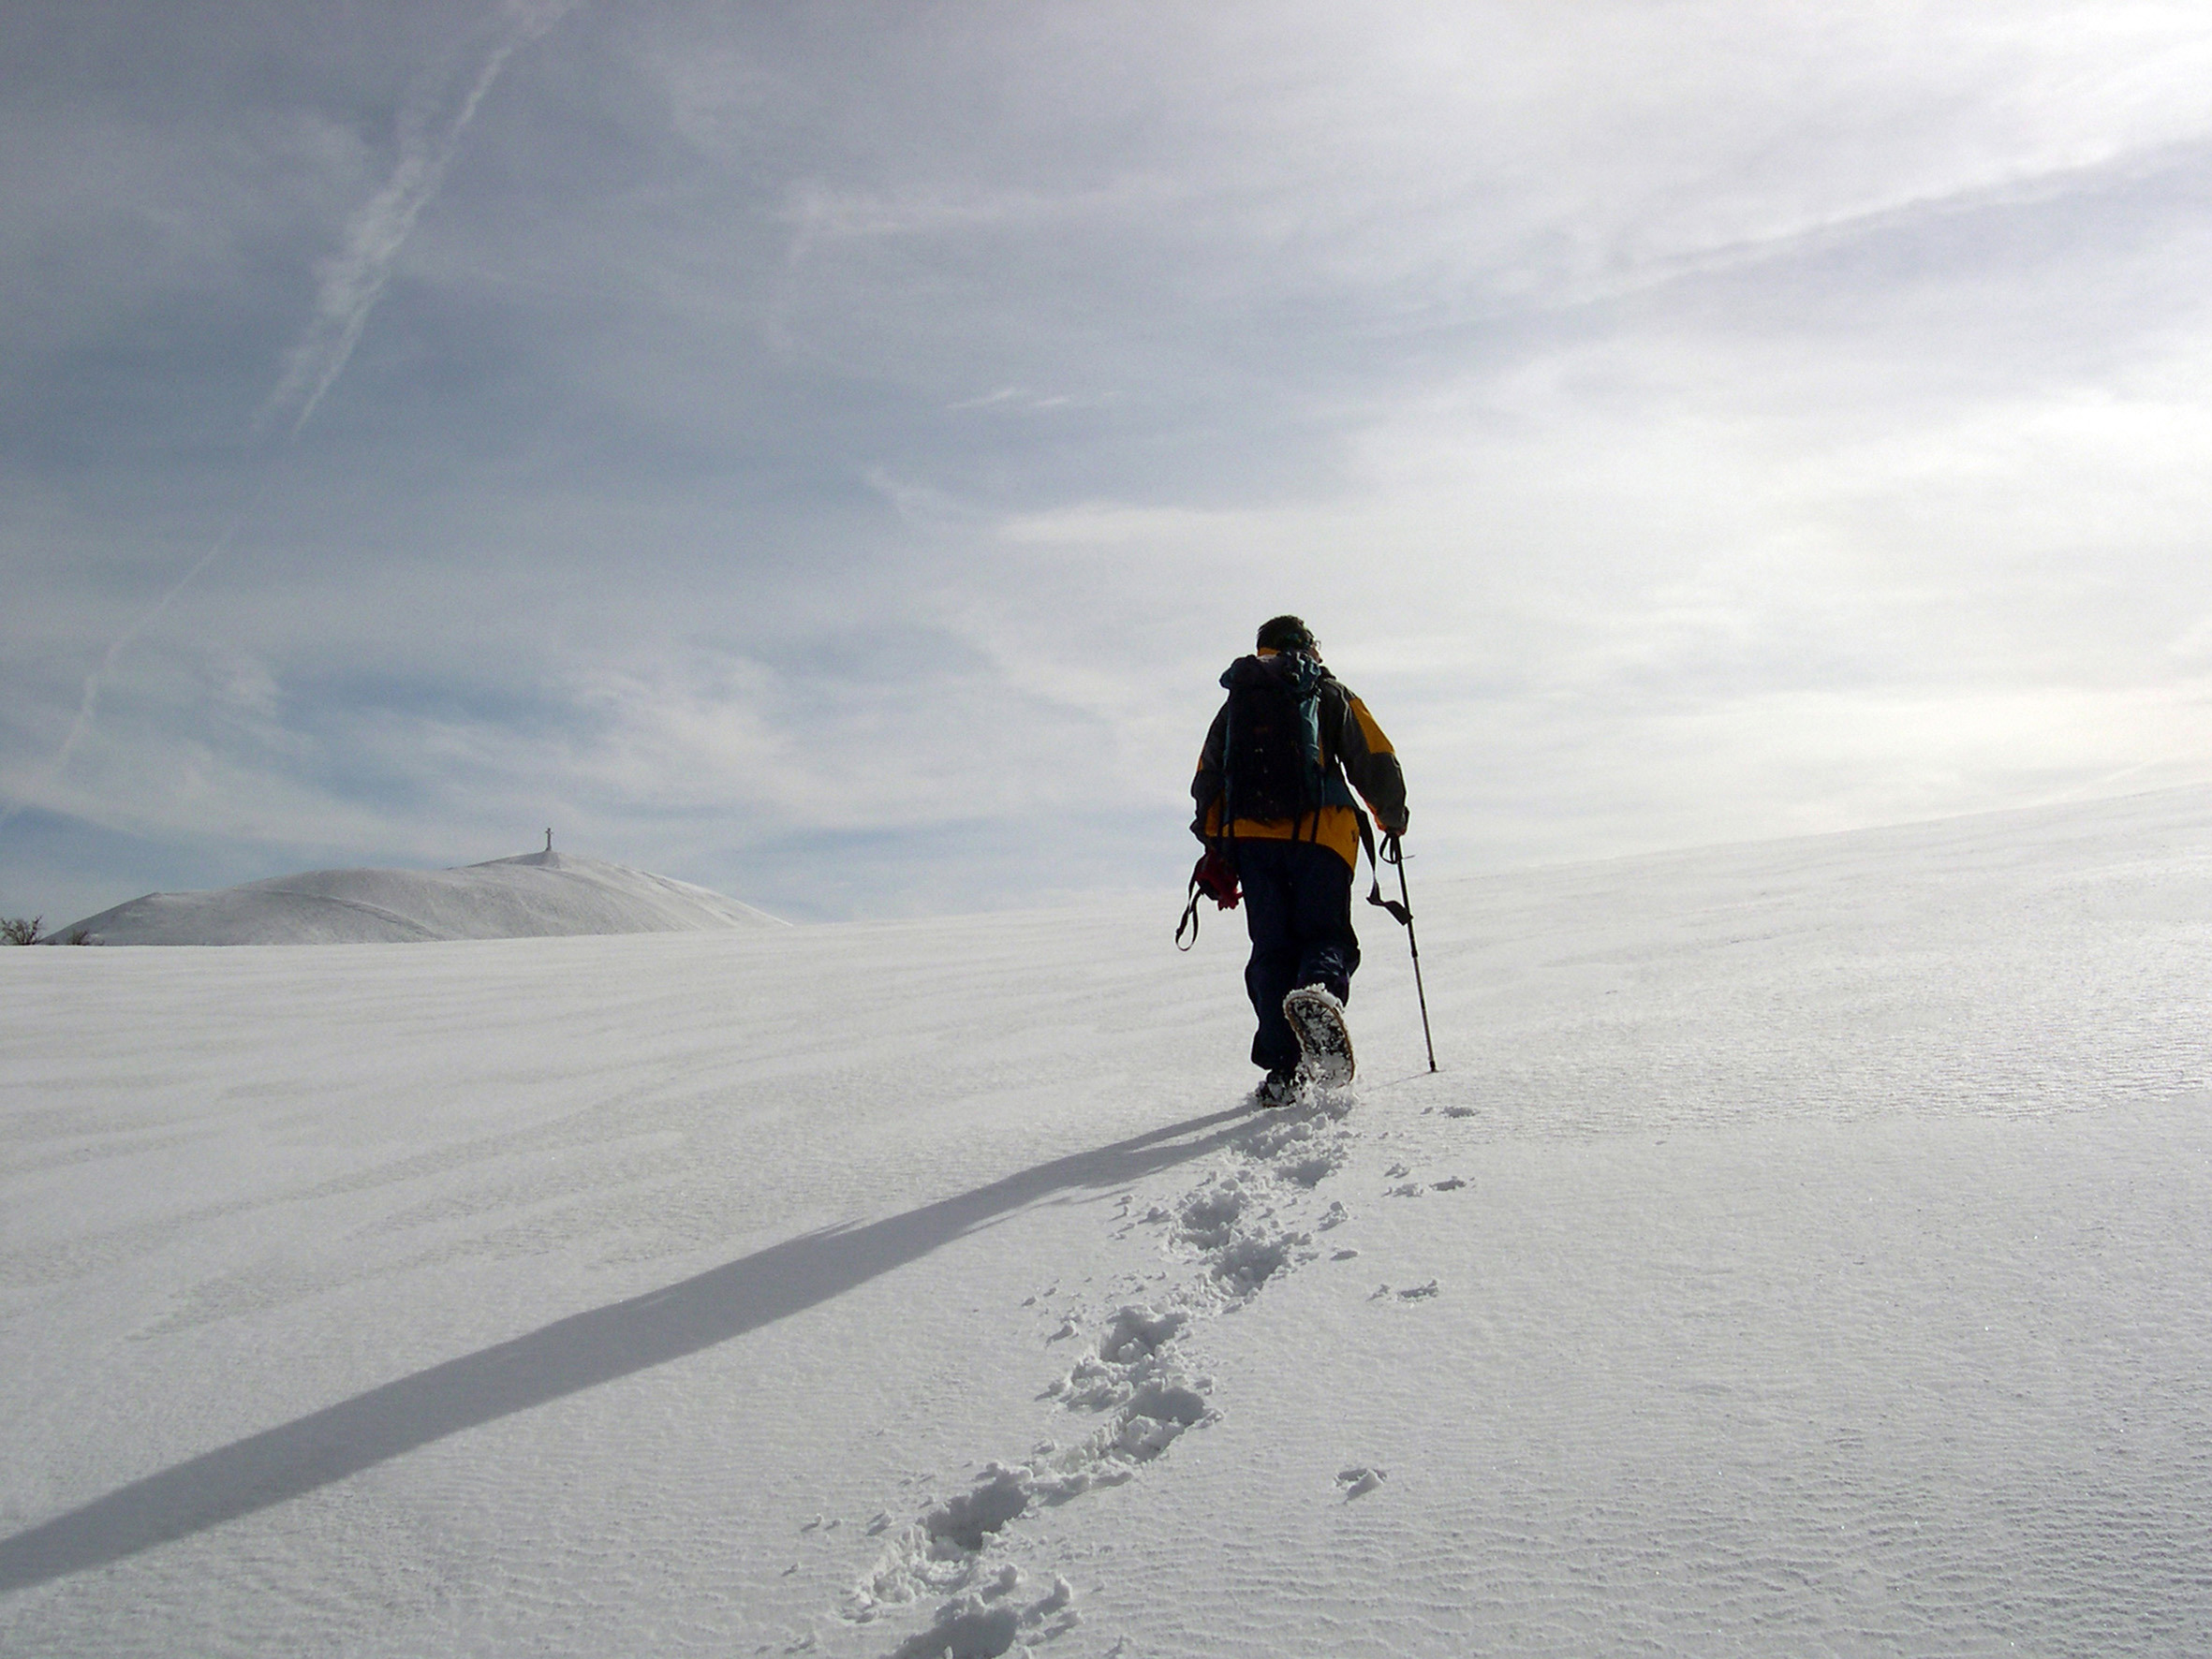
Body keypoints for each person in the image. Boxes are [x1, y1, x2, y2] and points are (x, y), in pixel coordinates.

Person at [1191, 615, 1408, 1105]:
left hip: (1253, 845)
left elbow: (1207, 778)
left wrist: (1215, 847)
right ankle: (1318, 997)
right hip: (1322, 837)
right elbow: (1374, 758)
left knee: (1272, 950)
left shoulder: (1238, 701)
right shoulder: (1327, 692)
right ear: (1307, 646)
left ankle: (1284, 1069)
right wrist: (1392, 818)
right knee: (1324, 935)